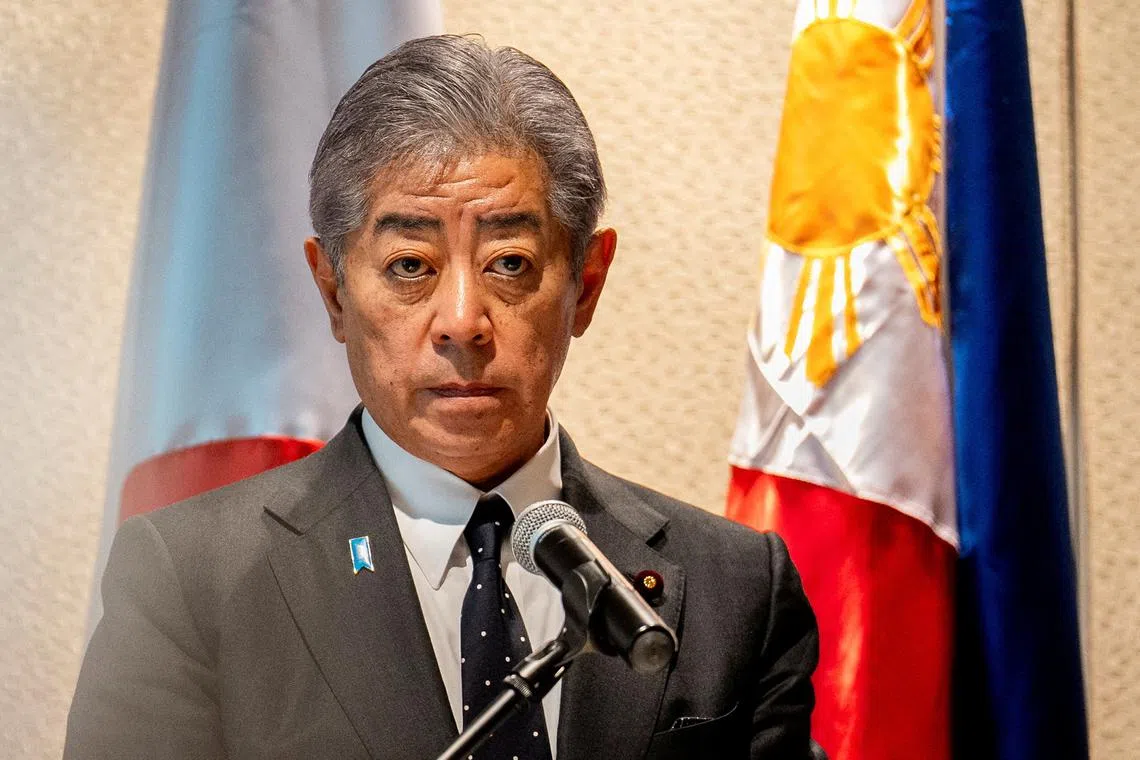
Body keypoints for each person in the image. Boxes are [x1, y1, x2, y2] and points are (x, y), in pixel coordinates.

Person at [65, 35, 822, 760]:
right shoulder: (192, 580)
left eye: (510, 262)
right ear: (333, 291)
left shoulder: (735, 586)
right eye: (410, 266)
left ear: (586, 285)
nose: (462, 321)